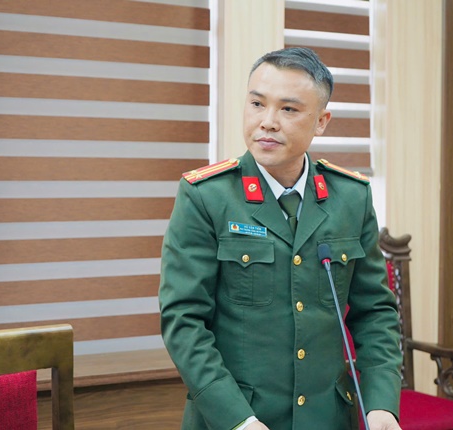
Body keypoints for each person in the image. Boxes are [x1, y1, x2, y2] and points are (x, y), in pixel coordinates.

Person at [159, 47, 402, 430]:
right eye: (257, 104)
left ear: (321, 121)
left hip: (328, 418)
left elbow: (374, 313)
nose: (267, 122)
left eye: (288, 109)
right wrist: (238, 419)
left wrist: (382, 404)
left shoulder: (351, 198)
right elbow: (183, 320)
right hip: (237, 417)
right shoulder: (207, 196)